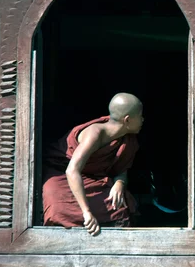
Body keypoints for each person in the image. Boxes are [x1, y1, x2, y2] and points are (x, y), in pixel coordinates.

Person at [42, 93, 144, 236]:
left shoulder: (127, 140)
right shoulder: (95, 133)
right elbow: (72, 171)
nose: (143, 119)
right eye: (140, 116)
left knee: (118, 206)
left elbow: (121, 167)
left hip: (92, 179)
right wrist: (86, 212)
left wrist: (120, 183)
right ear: (127, 120)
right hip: (62, 175)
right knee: (59, 209)